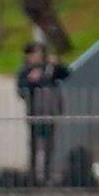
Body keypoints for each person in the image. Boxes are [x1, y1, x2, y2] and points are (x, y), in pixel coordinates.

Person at [16, 42, 70, 184]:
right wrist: (31, 80)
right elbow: (21, 90)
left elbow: (66, 74)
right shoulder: (25, 70)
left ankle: (47, 173)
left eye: (39, 54)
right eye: (34, 54)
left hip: (50, 110)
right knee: (34, 144)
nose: (37, 57)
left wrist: (57, 64)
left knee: (49, 144)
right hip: (34, 111)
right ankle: (33, 174)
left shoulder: (49, 68)